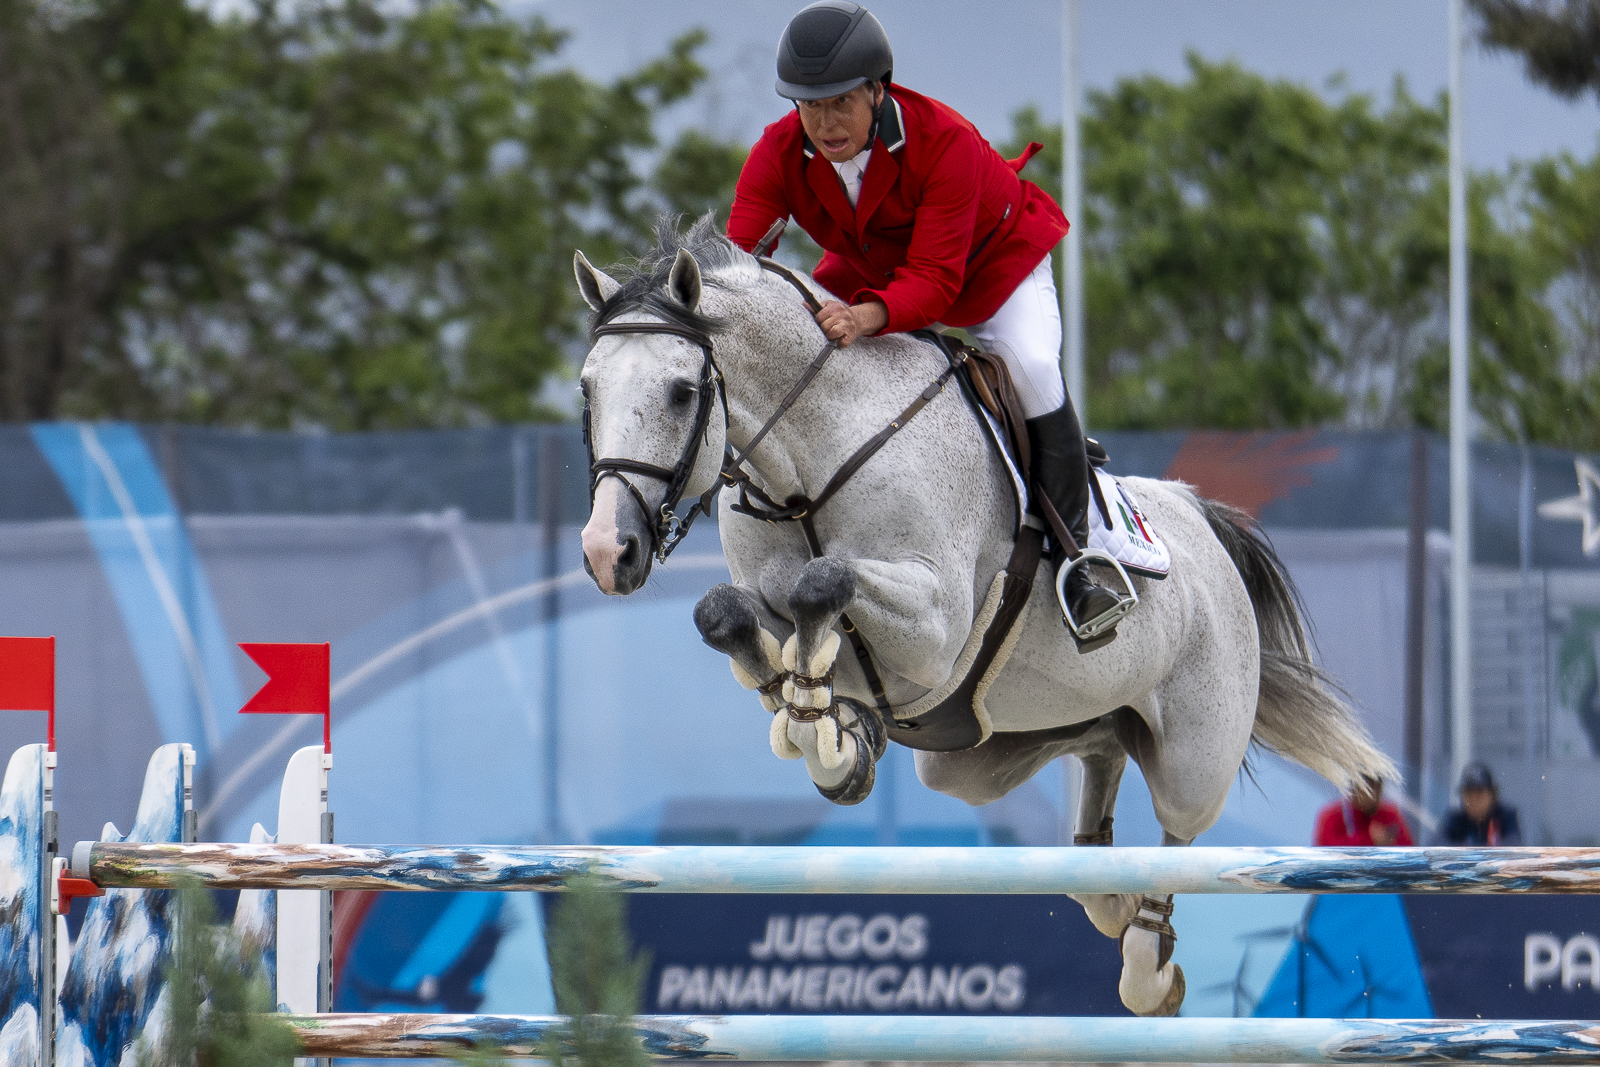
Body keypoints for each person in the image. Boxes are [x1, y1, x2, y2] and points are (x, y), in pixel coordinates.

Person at [725, 0, 1125, 647]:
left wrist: (867, 315)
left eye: (841, 103)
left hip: (992, 269)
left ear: (878, 91)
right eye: (810, 105)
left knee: (1029, 364)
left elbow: (937, 281)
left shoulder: (945, 141)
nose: (824, 123)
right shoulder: (778, 151)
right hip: (875, 270)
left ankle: (1082, 559)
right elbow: (738, 256)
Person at [1434, 762, 1522, 845]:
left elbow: (1511, 849)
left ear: (1492, 795)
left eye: (1479, 794)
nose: (1474, 800)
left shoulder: (1505, 818)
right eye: (1469, 794)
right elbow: (1439, 849)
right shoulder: (1454, 821)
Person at [1312, 776, 1414, 846]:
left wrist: (1389, 842)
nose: (1373, 796)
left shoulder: (1389, 812)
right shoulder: (1332, 815)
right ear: (1354, 789)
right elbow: (1325, 850)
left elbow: (1408, 848)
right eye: (1367, 790)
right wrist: (1370, 840)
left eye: (1377, 789)